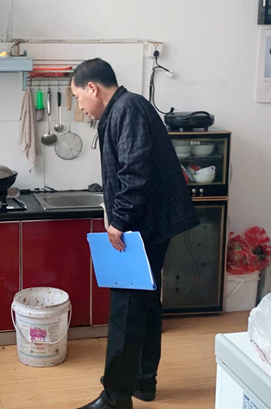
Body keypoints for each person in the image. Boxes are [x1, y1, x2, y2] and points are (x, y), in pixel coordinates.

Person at [70, 59, 199, 409]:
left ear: (93, 88)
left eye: (78, 97)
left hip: (143, 223)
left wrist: (120, 220)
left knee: (126, 307)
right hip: (151, 221)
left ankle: (115, 397)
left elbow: (134, 169)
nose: (80, 106)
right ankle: (143, 381)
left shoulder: (127, 109)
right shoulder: (125, 109)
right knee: (145, 302)